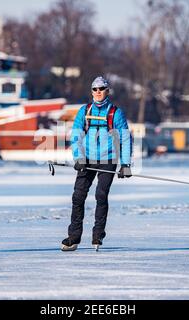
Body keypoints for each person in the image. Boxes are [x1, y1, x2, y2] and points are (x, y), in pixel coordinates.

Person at [61, 76, 132, 251]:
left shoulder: (116, 113)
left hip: (108, 159)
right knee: (78, 197)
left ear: (107, 91)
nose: (98, 92)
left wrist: (125, 164)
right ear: (91, 91)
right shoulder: (85, 110)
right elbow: (76, 135)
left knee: (101, 195)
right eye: (95, 89)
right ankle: (73, 237)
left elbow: (124, 139)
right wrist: (78, 157)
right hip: (87, 159)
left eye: (101, 89)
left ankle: (97, 236)